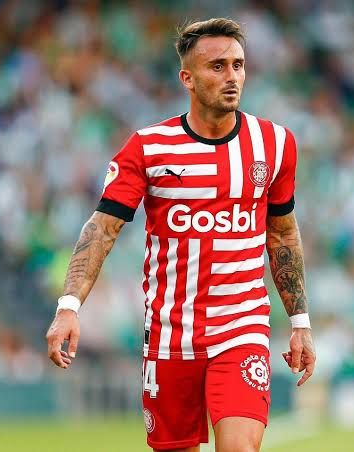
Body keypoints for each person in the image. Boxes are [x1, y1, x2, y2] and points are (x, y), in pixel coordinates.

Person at [45, 18, 316, 452]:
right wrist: (69, 306)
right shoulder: (148, 148)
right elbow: (103, 228)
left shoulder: (276, 144)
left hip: (241, 328)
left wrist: (299, 322)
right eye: (217, 67)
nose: (232, 77)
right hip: (170, 336)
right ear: (187, 78)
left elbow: (282, 234)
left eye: (238, 65)